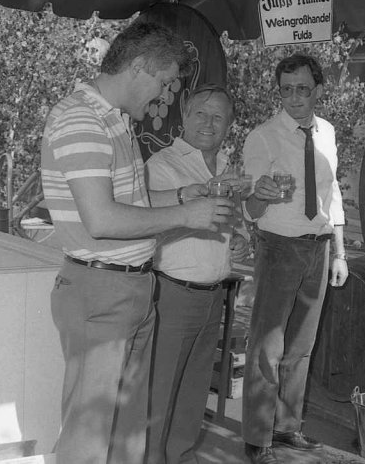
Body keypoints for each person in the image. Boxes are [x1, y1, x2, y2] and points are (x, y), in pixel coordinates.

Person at [40, 21, 236, 464]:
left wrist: (184, 196)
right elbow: (102, 219)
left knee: (128, 435)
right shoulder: (82, 119)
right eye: (164, 83)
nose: (165, 97)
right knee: (89, 439)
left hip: (130, 289)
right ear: (140, 66)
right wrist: (186, 215)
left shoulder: (117, 121)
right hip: (101, 292)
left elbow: (133, 203)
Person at [240, 52, 348, 464]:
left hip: (319, 247)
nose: (295, 97)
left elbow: (332, 195)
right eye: (286, 90)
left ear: (318, 89)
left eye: (302, 88)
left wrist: (340, 252)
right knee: (267, 346)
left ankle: (286, 427)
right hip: (279, 247)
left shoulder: (328, 133)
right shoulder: (262, 137)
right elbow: (250, 209)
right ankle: (257, 437)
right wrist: (259, 194)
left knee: (302, 346)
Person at [145, 84, 251, 464]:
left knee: (193, 393)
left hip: (213, 295)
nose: (209, 123)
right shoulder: (162, 165)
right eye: (201, 114)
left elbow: (232, 225)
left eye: (218, 116)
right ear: (184, 117)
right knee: (159, 392)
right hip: (172, 293)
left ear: (229, 125)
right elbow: (150, 225)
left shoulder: (225, 168)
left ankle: (181, 456)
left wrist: (240, 241)